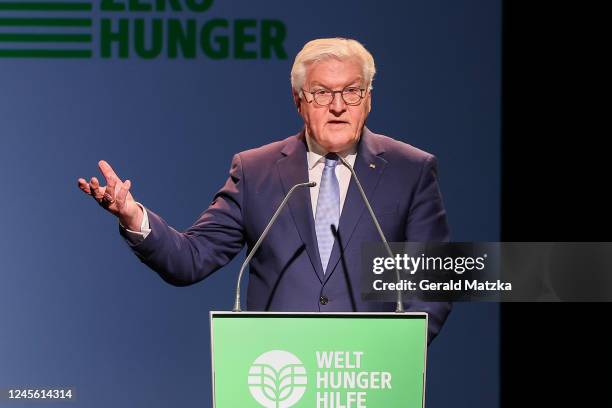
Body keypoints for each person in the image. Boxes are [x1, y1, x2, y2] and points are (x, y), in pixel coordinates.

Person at [77, 38, 451, 343]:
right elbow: (191, 259)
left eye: (352, 91)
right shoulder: (255, 170)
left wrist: (396, 354)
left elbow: (433, 286)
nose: (338, 106)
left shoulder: (410, 169)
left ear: (368, 98)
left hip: (369, 379)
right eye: (321, 93)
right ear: (298, 101)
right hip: (276, 374)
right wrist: (134, 217)